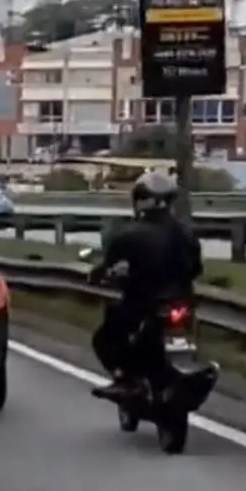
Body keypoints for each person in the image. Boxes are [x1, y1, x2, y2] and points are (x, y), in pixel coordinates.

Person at [89, 170, 202, 400]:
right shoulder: (186, 233)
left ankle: (124, 378)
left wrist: (99, 275)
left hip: (144, 304)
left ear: (139, 201)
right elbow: (197, 268)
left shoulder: (128, 234)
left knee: (105, 337)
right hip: (182, 301)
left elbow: (106, 266)